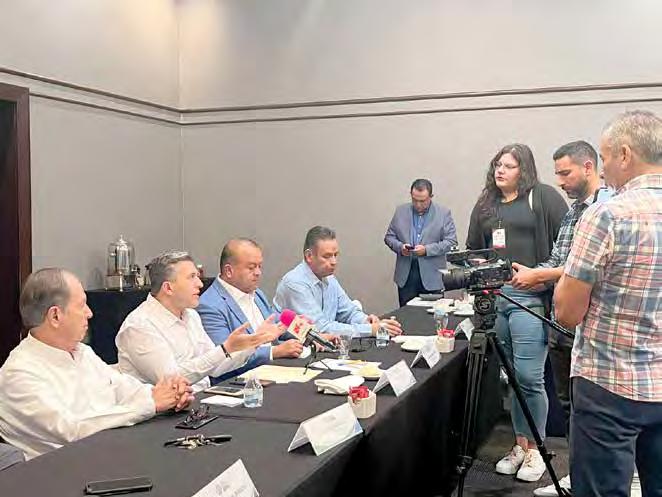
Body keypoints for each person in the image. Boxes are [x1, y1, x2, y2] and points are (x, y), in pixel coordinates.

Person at [554, 110, 662, 497]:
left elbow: (567, 313)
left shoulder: (607, 214)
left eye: (604, 157)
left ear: (625, 154)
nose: (603, 169)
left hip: (609, 383)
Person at [0, 268, 193, 460]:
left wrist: (169, 394)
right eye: (82, 305)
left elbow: (122, 388)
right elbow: (72, 429)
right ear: (55, 316)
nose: (90, 313)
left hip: (109, 453)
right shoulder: (19, 373)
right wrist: (151, 404)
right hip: (62, 469)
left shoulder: (82, 352)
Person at [466, 143, 567, 482]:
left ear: (523, 169)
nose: (500, 170)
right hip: (497, 299)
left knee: (529, 377)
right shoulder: (486, 203)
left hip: (531, 297)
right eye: (497, 164)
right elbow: (473, 248)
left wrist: (540, 276)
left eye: (508, 166)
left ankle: (538, 449)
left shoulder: (543, 197)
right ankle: (521, 445)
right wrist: (479, 266)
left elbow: (567, 246)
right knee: (511, 378)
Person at [506, 141, 602, 496]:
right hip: (562, 323)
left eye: (565, 173)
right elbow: (560, 260)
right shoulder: (574, 211)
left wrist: (540, 276)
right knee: (570, 406)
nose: (560, 181)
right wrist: (530, 274)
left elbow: (587, 269)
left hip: (591, 326)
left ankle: (598, 479)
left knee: (590, 409)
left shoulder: (606, 210)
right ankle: (578, 476)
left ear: (588, 167)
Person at [116, 251, 281, 392]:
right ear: (168, 288)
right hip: (163, 413)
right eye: (191, 277)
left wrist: (253, 343)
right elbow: (173, 381)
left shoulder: (191, 315)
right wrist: (224, 349)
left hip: (200, 400)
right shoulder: (139, 326)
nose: (200, 284)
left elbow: (216, 368)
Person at [197, 239, 303, 381]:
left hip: (272, 371)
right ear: (229, 271)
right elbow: (222, 358)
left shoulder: (256, 292)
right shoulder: (209, 305)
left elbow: (276, 323)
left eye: (260, 266)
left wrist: (308, 334)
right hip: (238, 382)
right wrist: (274, 351)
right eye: (251, 267)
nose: (258, 272)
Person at [274, 226, 402, 338]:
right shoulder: (294, 283)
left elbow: (348, 312)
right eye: (327, 256)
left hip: (324, 346)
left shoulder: (329, 278)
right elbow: (319, 329)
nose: (334, 262)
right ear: (309, 256)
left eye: (335, 255)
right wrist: (370, 330)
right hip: (295, 351)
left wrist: (366, 321)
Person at [384, 178, 458, 307]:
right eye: (415, 200)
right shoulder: (400, 211)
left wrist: (427, 250)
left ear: (431, 197)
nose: (418, 205)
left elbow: (451, 242)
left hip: (432, 277)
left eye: (422, 201)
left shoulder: (443, 214)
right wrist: (401, 247)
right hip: (406, 277)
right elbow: (389, 237)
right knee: (407, 315)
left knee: (433, 316)